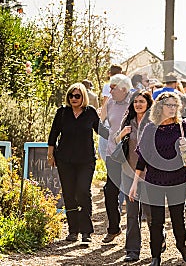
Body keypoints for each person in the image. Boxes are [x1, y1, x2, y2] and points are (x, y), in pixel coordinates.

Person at [129, 92, 186, 266]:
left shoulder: (182, 126)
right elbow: (142, 158)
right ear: (160, 107)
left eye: (175, 105)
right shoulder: (150, 128)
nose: (173, 108)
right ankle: (155, 256)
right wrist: (135, 183)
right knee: (156, 220)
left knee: (178, 217)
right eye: (169, 105)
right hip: (154, 180)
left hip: (177, 178)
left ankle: (182, 247)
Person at [47, 83, 106, 243]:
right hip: (65, 160)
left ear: (83, 97)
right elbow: (53, 133)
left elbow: (102, 131)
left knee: (83, 191)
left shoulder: (90, 113)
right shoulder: (62, 113)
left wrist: (119, 131)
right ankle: (73, 231)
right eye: (71, 96)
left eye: (77, 96)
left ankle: (86, 231)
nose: (73, 98)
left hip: (86, 160)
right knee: (69, 193)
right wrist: (50, 154)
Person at [115, 90, 153, 262]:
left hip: (150, 175)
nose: (138, 104)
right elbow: (116, 140)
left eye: (141, 101)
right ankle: (132, 250)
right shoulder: (128, 121)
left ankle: (158, 243)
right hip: (128, 171)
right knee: (131, 213)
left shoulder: (153, 121)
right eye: (135, 101)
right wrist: (122, 134)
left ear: (148, 104)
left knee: (151, 213)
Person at [100, 74, 134, 243]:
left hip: (131, 154)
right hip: (113, 152)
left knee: (131, 193)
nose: (110, 90)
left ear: (123, 88)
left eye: (113, 87)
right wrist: (112, 136)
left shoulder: (134, 101)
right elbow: (99, 123)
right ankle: (114, 228)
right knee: (110, 191)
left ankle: (133, 235)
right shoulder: (110, 102)